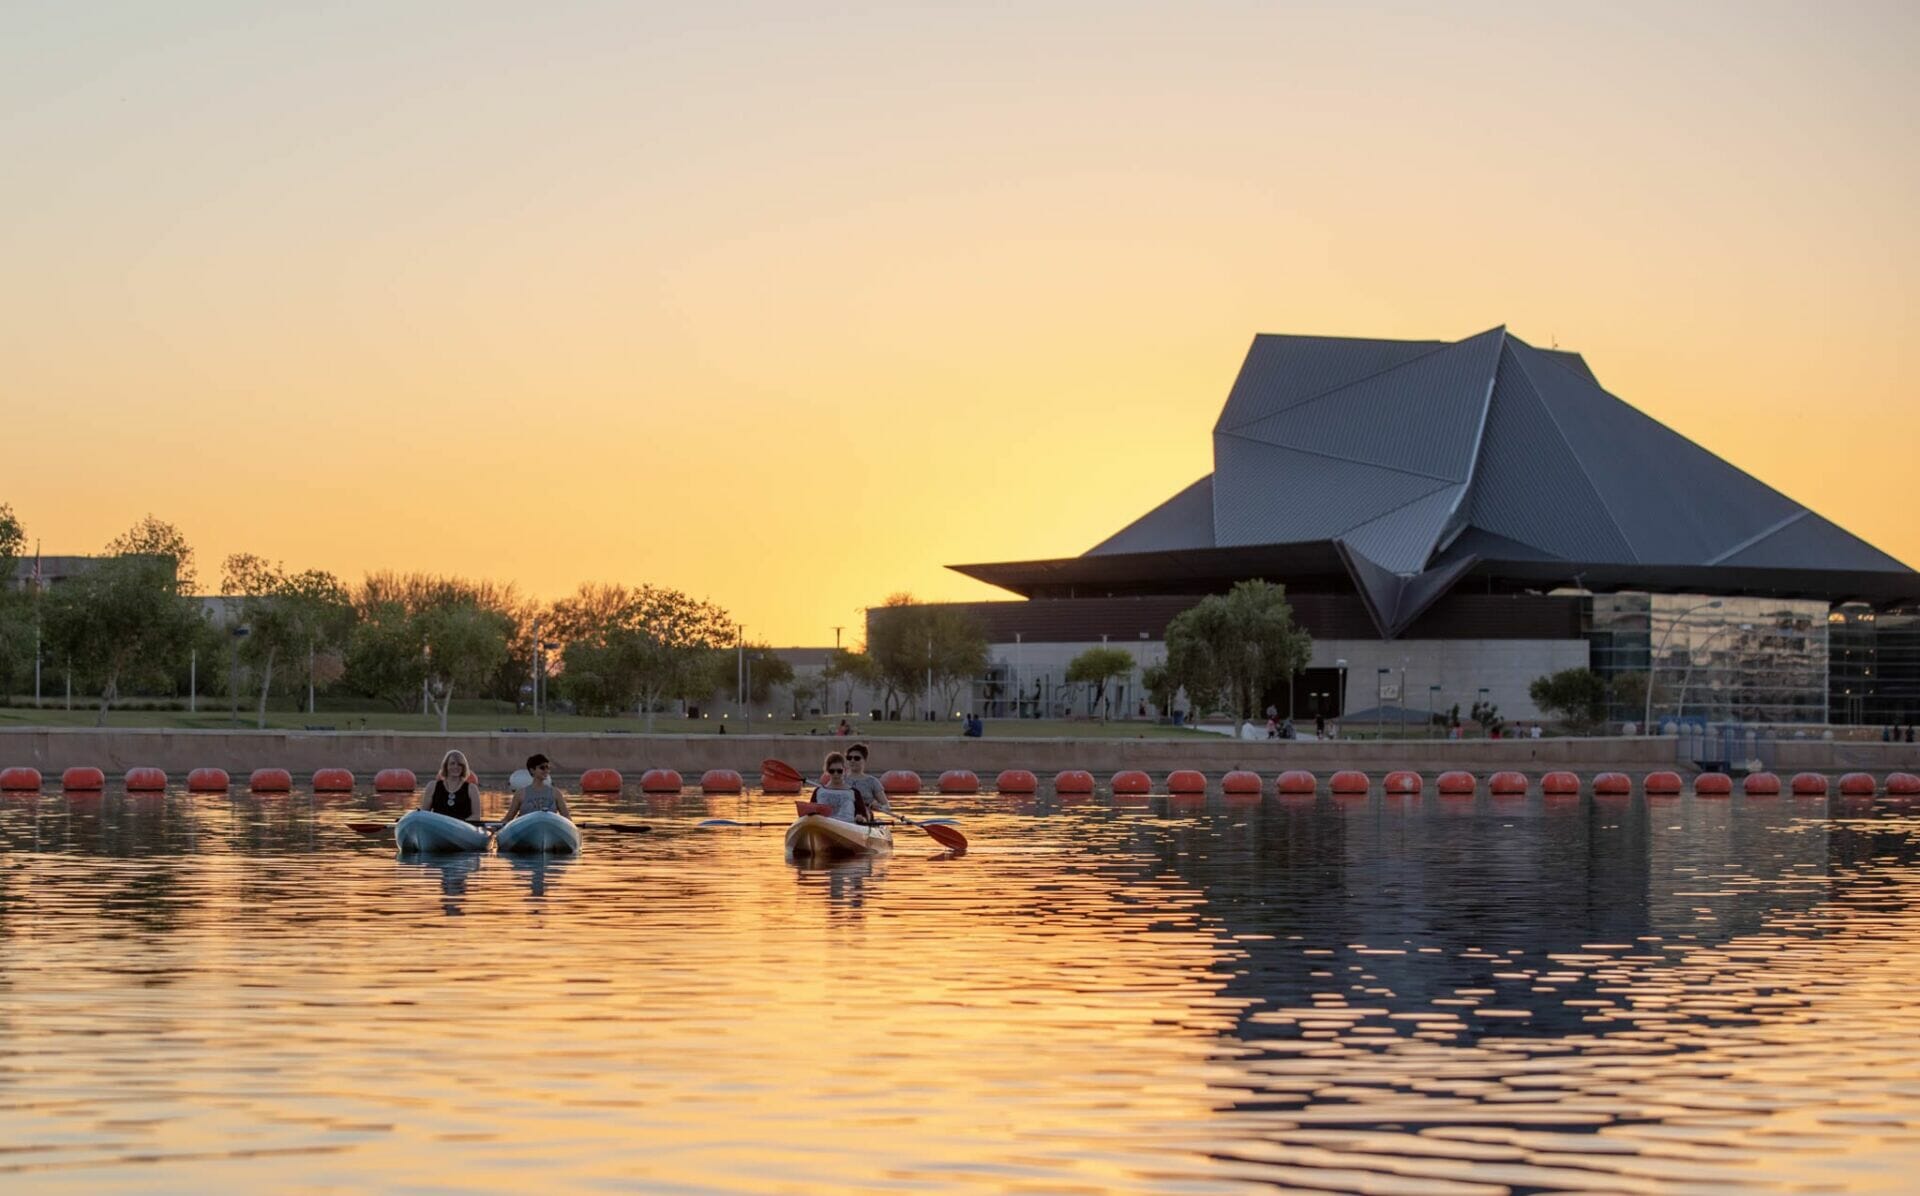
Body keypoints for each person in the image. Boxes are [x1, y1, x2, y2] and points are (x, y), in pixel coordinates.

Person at [499, 753, 572, 828]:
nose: (546, 770)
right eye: (542, 768)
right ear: (532, 770)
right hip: (526, 829)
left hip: (549, 828)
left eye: (548, 768)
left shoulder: (556, 793)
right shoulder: (520, 794)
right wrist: (495, 828)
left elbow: (566, 817)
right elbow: (508, 818)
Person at [422, 749, 485, 824]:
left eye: (459, 764)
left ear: (463, 767)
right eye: (452, 763)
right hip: (437, 827)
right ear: (446, 766)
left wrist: (457, 824)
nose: (456, 767)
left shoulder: (472, 789)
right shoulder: (432, 786)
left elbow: (476, 816)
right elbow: (424, 814)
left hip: (461, 829)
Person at [843, 741, 891, 821]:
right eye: (849, 758)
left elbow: (886, 806)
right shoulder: (840, 779)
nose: (852, 760)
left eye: (856, 758)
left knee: (860, 815)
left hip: (864, 814)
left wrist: (878, 806)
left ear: (864, 760)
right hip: (843, 814)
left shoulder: (872, 781)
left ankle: (860, 820)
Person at [812, 751, 864, 823]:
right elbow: (810, 814)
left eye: (839, 771)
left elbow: (863, 816)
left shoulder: (854, 792)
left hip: (847, 827)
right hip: (823, 825)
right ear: (827, 771)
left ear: (845, 770)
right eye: (832, 771)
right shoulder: (818, 791)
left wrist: (861, 818)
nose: (836, 774)